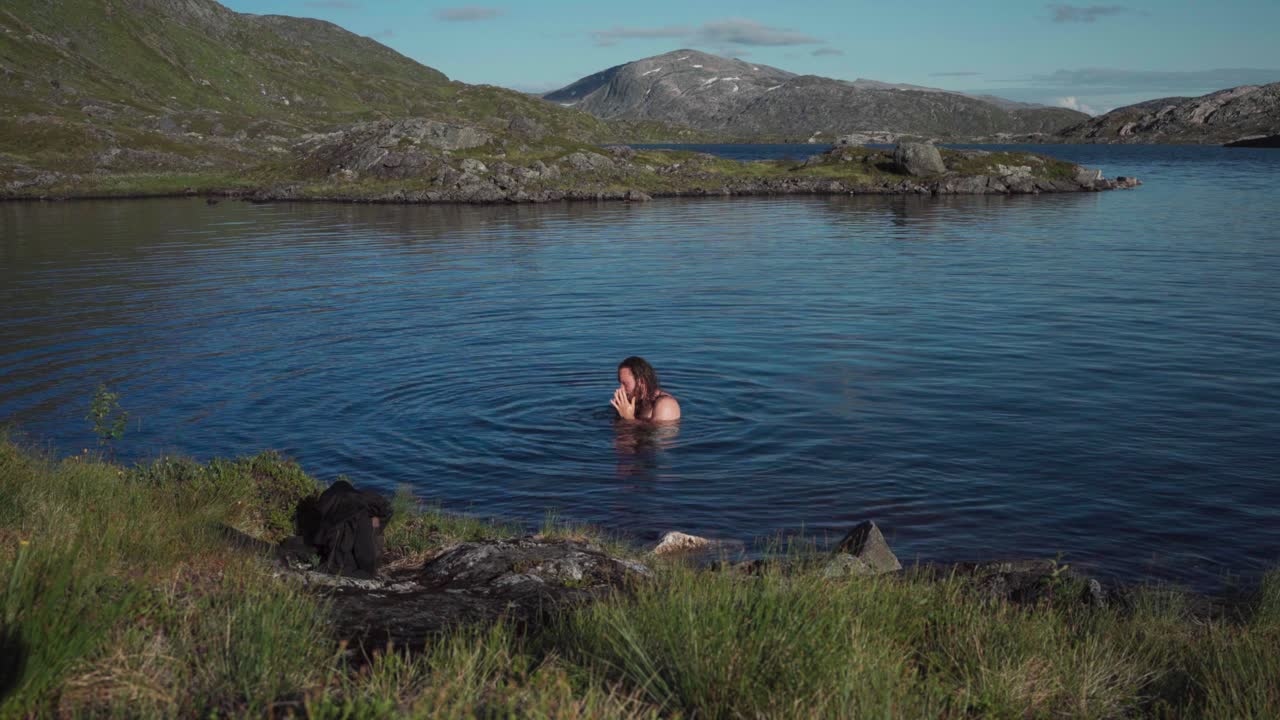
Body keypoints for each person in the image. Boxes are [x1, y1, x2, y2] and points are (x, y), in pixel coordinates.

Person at [611, 356, 681, 423]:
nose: (620, 389)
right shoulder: (634, 400)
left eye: (625, 384)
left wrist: (628, 418)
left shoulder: (666, 404)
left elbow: (659, 434)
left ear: (641, 382)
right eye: (620, 383)